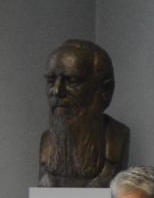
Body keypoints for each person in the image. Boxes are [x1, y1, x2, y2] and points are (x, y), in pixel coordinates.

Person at [39, 39, 130, 187]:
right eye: (51, 81)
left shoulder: (117, 137)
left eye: (72, 80)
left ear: (105, 90)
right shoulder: (46, 140)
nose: (57, 90)